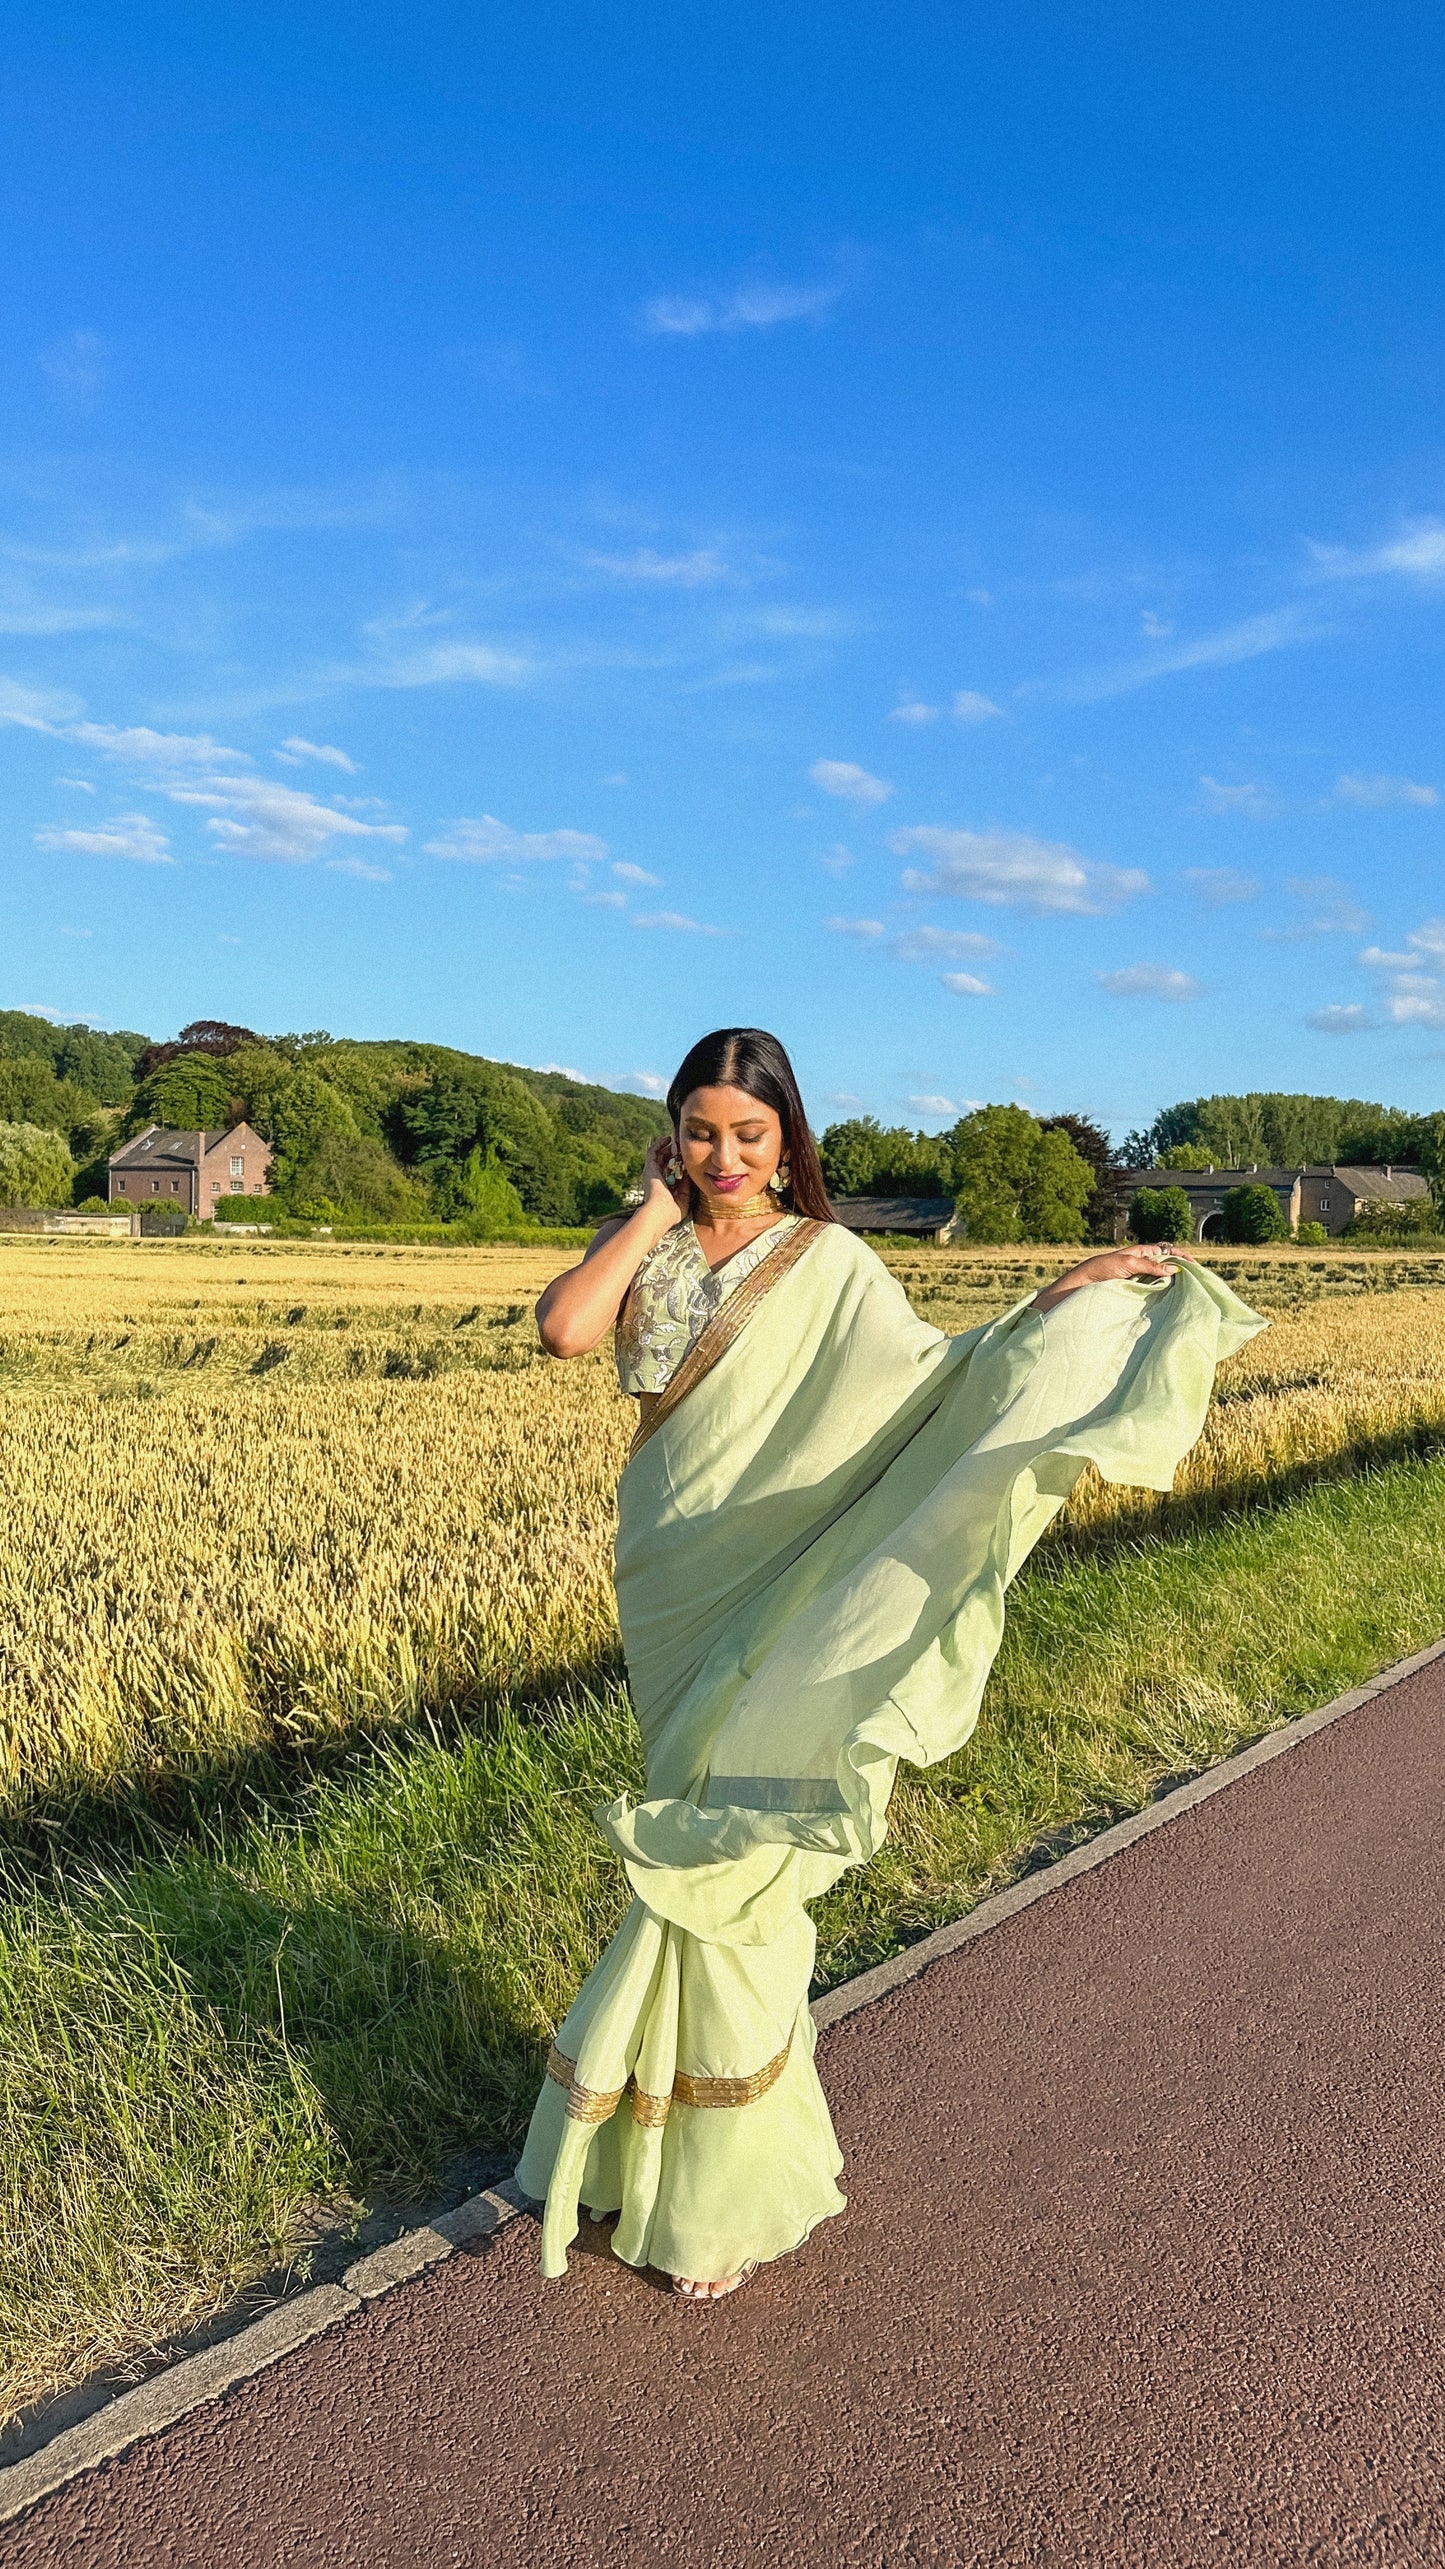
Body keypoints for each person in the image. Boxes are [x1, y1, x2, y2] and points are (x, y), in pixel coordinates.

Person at [519, 1027, 1264, 2300]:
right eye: (700, 1132)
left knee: (735, 1851)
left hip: (786, 1565)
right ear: (672, 1132)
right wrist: (646, 1210)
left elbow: (934, 1378)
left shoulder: (833, 1261)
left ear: (788, 1140)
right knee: (680, 1823)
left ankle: (719, 2188)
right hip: (674, 1573)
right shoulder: (646, 1230)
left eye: (749, 1136)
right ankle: (635, 2141)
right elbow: (564, 1333)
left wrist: (1064, 1296)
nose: (724, 1156)